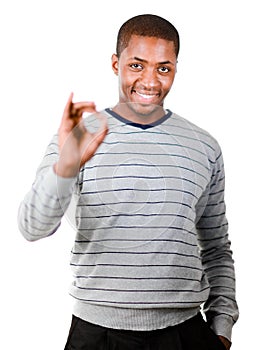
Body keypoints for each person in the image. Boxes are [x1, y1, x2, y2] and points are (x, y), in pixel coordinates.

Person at [18, 14, 239, 350]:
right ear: (115, 63)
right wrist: (67, 163)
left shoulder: (203, 145)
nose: (150, 81)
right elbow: (32, 227)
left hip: (185, 333)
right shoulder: (78, 135)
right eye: (137, 65)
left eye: (163, 68)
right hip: (97, 334)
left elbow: (217, 247)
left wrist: (221, 328)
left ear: (176, 68)